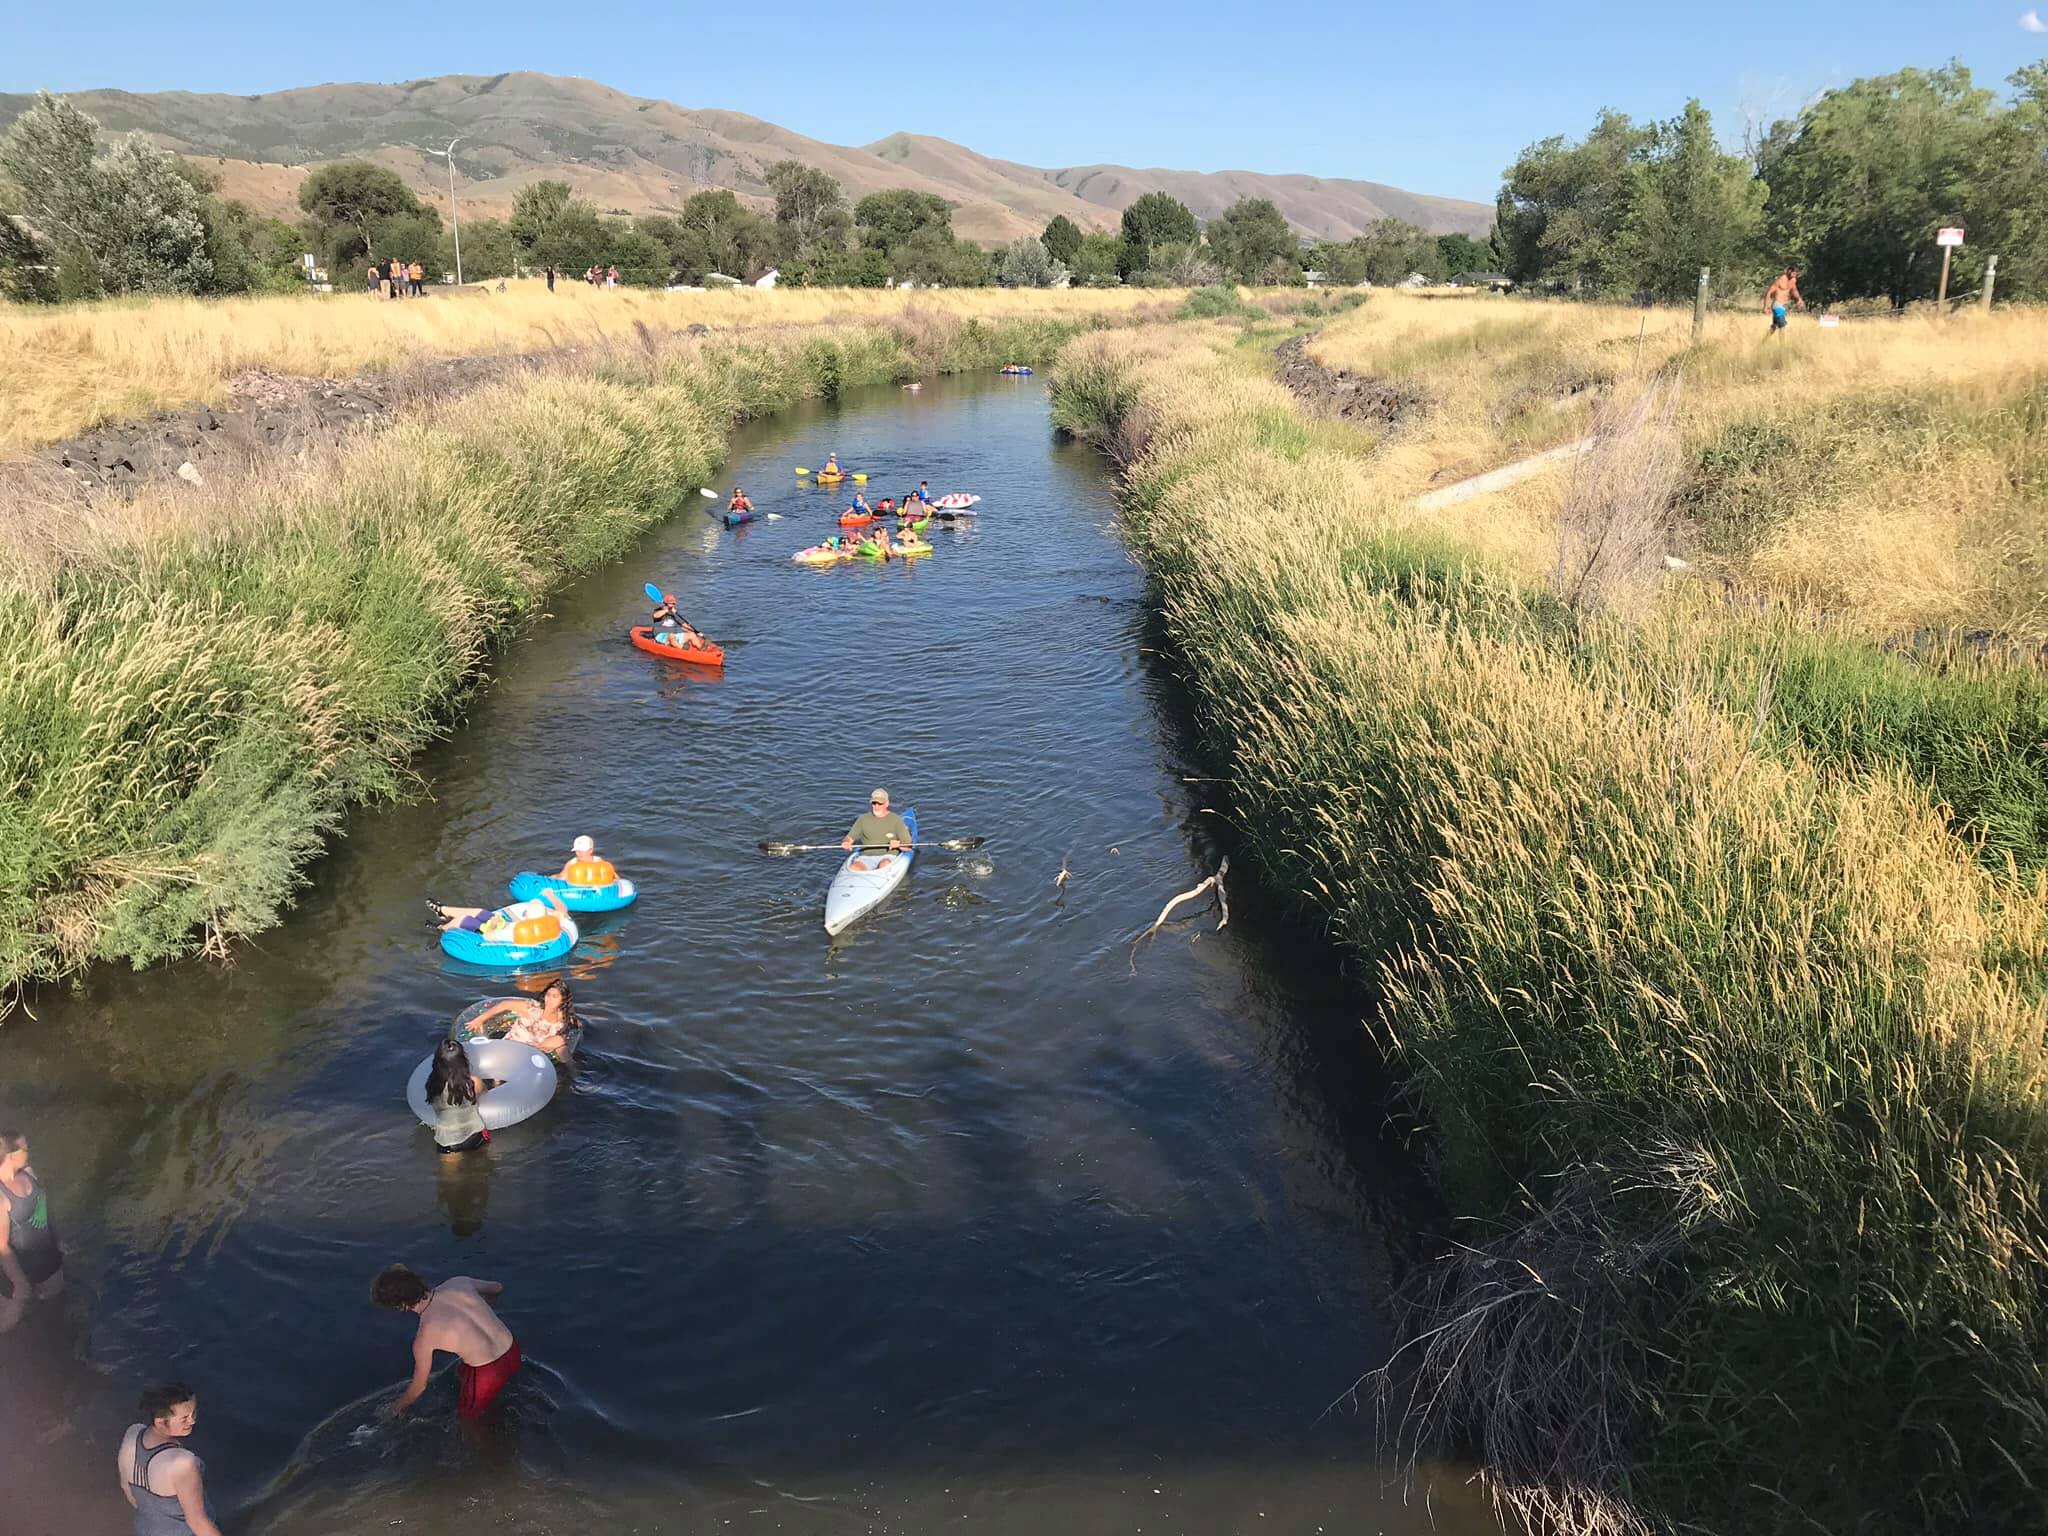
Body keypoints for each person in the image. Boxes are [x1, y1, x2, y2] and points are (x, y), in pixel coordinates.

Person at [371, 1265, 520, 1421]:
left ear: (401, 1306)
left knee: (468, 1419)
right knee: (461, 1372)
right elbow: (497, 1288)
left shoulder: (425, 1336)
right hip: (513, 1350)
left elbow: (419, 1387)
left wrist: (395, 1408)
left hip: (487, 1373)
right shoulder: (458, 1282)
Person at [117, 1383, 223, 1536]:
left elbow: (127, 1488)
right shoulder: (182, 1463)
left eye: (194, 1413)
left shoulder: (133, 1433)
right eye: (184, 1418)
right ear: (160, 1422)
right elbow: (197, 1522)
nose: (192, 1421)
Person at [0, 1130, 63, 1332]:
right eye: (24, 1148)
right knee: (22, 1319)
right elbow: (2, 1246)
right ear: (10, 1156)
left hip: (51, 1260)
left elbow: (44, 1203)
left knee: (56, 1307)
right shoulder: (1, 1197)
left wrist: (59, 1238)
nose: (28, 1151)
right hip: (26, 1269)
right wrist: (20, 1284)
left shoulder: (28, 1172)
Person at [466, 979, 577, 1059]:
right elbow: (504, 1004)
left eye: (555, 997)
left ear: (563, 1000)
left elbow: (571, 1032)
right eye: (548, 995)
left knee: (561, 1046)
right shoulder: (532, 1008)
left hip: (530, 1054)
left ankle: (572, 1075)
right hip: (509, 1046)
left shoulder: (564, 1020)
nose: (549, 999)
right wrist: (480, 1019)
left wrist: (550, 1044)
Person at [424, 1040, 493, 1153]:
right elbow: (486, 1095)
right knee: (482, 1167)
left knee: (450, 1171)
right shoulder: (473, 1083)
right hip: (473, 1136)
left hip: (446, 1140)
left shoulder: (432, 1085)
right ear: (463, 1060)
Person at [429, 885, 570, 936]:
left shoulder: (524, 930)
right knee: (481, 912)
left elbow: (495, 937)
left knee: (466, 920)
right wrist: (551, 895)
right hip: (504, 925)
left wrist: (492, 925)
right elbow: (563, 910)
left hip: (495, 932)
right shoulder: (551, 920)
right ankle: (443, 910)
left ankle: (441, 928)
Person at [843, 788, 911, 853]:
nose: (876, 806)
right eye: (874, 803)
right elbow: (849, 837)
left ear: (887, 804)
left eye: (880, 803)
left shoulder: (896, 820)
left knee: (884, 863)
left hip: (888, 856)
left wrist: (899, 845)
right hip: (866, 856)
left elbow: (908, 846)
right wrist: (846, 842)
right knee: (855, 865)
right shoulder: (862, 819)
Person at [1764, 268, 1804, 337]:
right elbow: (1769, 292)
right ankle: (1782, 346)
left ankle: (1763, 343)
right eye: (1793, 273)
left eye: (1796, 274)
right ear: (1789, 272)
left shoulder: (1793, 280)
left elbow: (1794, 290)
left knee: (1774, 326)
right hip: (1777, 305)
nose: (1795, 275)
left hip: (1783, 306)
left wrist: (1799, 299)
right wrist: (1765, 307)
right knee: (1782, 326)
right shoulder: (1780, 280)